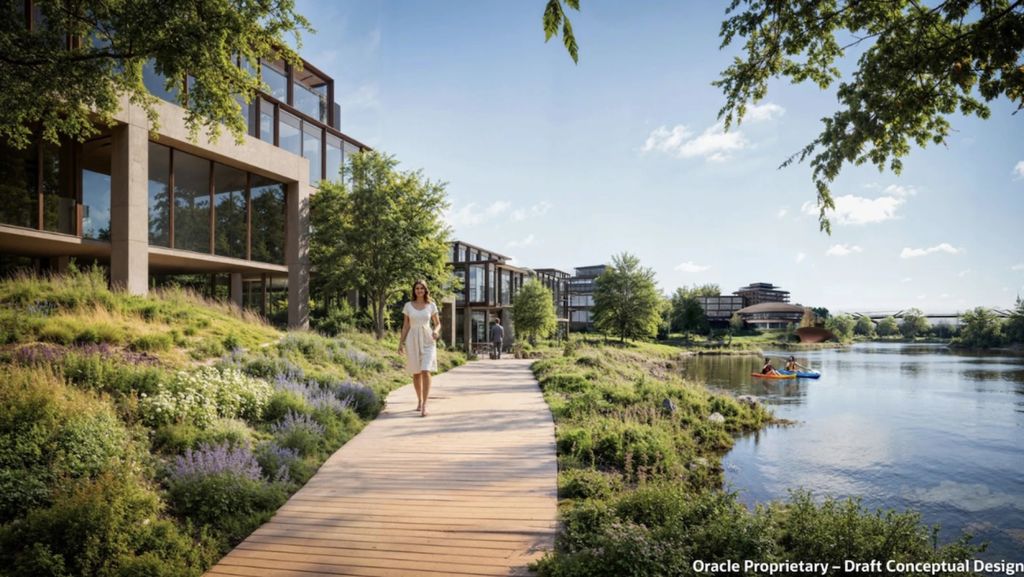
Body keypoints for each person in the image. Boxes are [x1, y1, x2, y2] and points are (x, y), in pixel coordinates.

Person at [398, 280, 441, 417]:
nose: (419, 290)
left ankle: (425, 404)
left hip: (428, 338)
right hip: (412, 339)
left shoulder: (431, 305)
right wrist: (401, 343)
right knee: (416, 372)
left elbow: (438, 323)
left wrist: (436, 331)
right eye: (417, 288)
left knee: (425, 370)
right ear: (414, 290)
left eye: (422, 288)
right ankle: (419, 400)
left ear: (425, 290)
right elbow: (406, 326)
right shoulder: (408, 306)